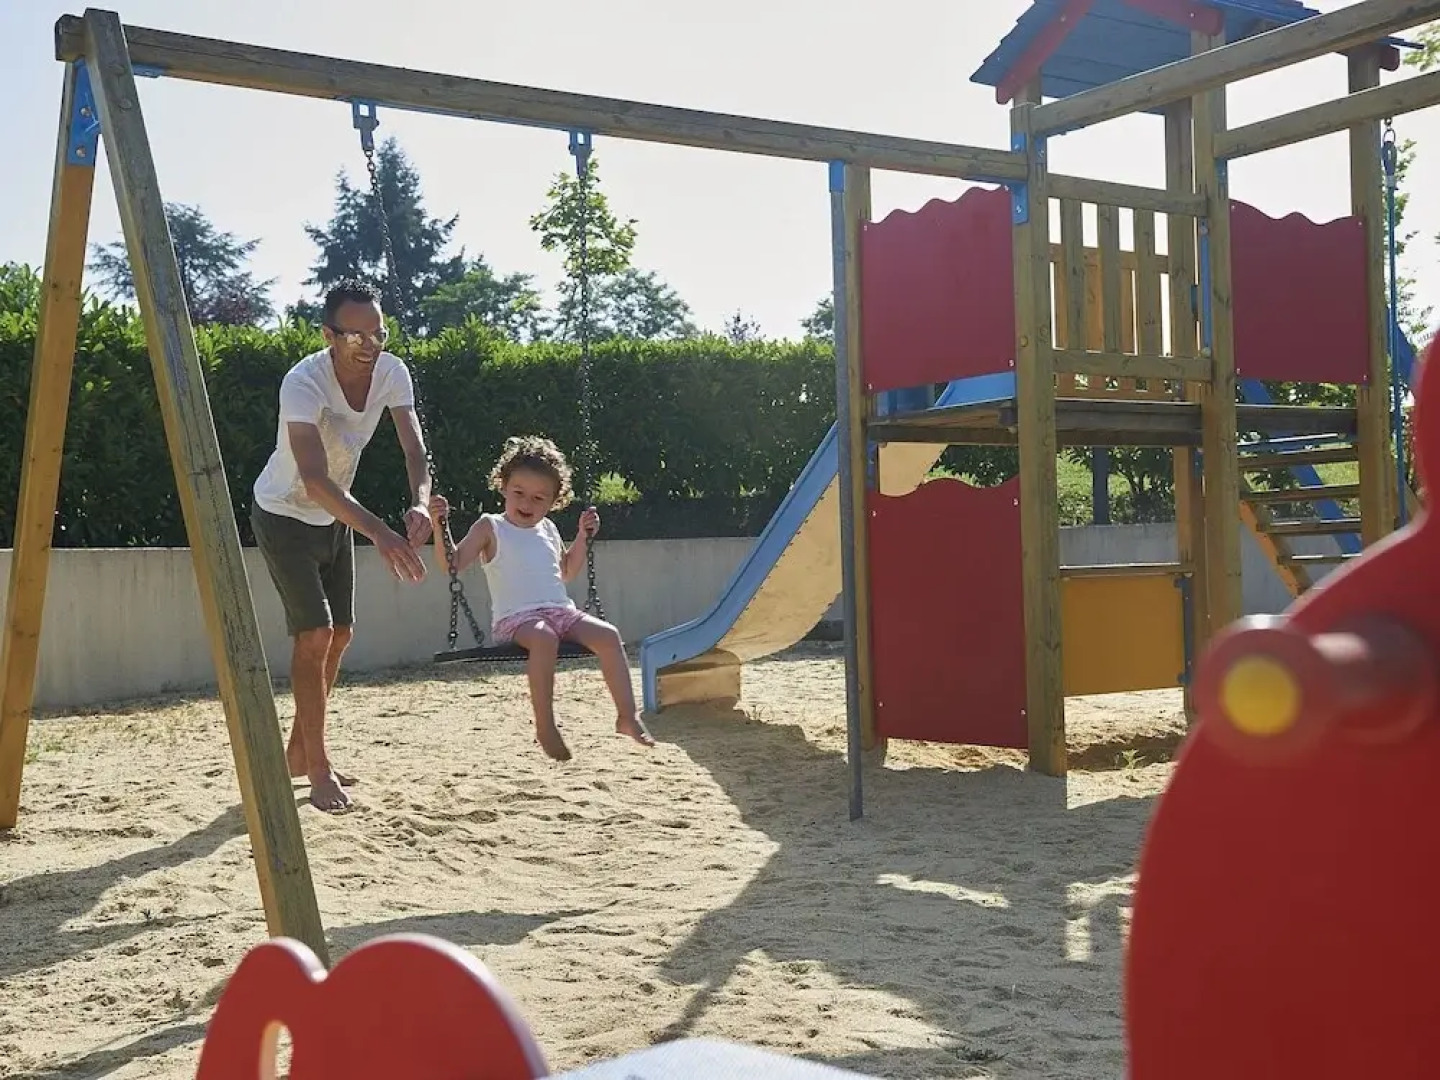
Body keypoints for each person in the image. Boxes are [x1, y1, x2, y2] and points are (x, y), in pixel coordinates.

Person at [250, 279, 431, 812]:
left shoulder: (392, 372)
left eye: (379, 333)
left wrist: (421, 502)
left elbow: (414, 449)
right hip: (284, 513)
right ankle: (318, 768)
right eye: (356, 336)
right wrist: (381, 532)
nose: (370, 345)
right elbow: (313, 479)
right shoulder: (303, 382)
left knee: (341, 634)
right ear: (329, 335)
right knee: (315, 635)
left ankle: (299, 752)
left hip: (334, 517)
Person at [427, 435, 656, 762]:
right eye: (519, 493)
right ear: (504, 487)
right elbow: (452, 563)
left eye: (539, 498)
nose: (527, 503)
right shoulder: (490, 527)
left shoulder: (548, 528)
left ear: (553, 502)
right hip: (516, 619)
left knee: (609, 636)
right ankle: (546, 726)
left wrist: (582, 536)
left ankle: (627, 717)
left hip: (561, 612)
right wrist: (440, 527)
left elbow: (567, 571)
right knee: (545, 638)